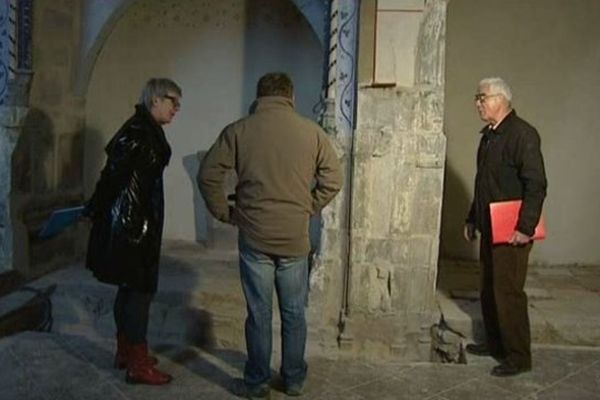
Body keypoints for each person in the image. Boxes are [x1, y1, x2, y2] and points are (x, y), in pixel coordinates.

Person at [197, 72, 342, 398]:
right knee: (293, 313)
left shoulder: (238, 130)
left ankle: (258, 381)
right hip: (294, 238)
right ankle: (293, 379)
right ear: (290, 96)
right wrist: (309, 206)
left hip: (254, 237)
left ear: (259, 96)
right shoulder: (311, 132)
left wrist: (225, 212)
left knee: (259, 313)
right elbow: (334, 178)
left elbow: (208, 174)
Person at [84, 78, 182, 385]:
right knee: (139, 291)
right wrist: (94, 208)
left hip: (135, 222)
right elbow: (112, 176)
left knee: (130, 289)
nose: (176, 108)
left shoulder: (144, 129)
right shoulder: (138, 132)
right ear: (154, 99)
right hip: (131, 226)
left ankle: (126, 351)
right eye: (172, 101)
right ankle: (137, 363)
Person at [464, 77, 547, 377]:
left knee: (508, 291)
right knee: (488, 288)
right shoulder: (489, 136)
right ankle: (496, 344)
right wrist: (473, 218)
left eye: (482, 97)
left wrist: (525, 227)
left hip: (513, 230)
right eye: (478, 97)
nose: (478, 103)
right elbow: (483, 181)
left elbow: (536, 185)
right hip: (490, 225)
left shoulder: (523, 135)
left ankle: (518, 356)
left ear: (501, 99)